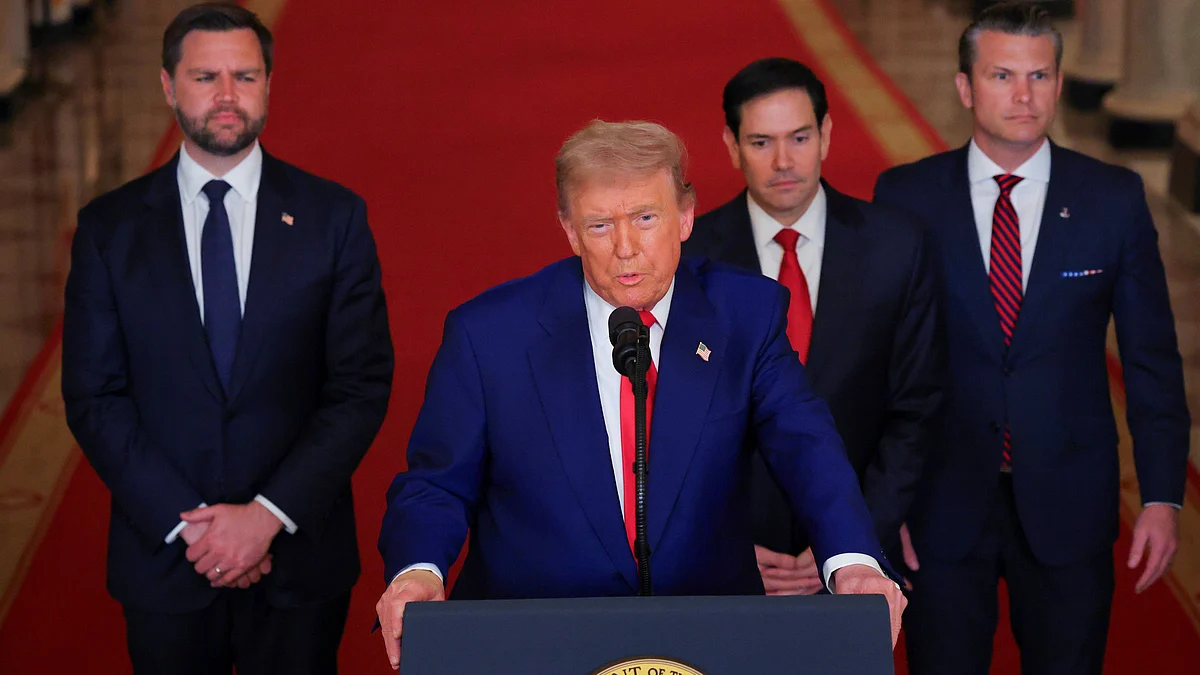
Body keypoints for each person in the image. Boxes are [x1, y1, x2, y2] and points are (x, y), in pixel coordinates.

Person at [375, 120, 906, 670]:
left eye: (646, 218)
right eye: (600, 225)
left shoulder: (746, 315)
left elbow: (807, 447)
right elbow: (436, 484)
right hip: (533, 640)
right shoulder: (489, 334)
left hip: (708, 640)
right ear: (570, 231)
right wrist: (416, 572)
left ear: (685, 216)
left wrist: (853, 560)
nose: (626, 248)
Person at [60, 4, 394, 674]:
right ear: (167, 85)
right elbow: (95, 396)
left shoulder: (335, 218)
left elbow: (358, 387)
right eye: (205, 75)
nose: (225, 96)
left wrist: (266, 516)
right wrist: (196, 529)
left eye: (244, 76)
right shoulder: (109, 229)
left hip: (300, 561)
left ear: (268, 83)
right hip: (166, 562)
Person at [872, 3, 1190, 674]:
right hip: (940, 506)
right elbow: (881, 362)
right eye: (1002, 75)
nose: (1024, 95)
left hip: (1070, 502)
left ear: (1058, 82)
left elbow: (1152, 359)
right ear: (965, 87)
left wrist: (1161, 495)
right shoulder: (905, 197)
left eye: (1039, 76)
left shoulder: (1114, 198)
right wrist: (883, 502)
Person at [683, 57, 940, 595]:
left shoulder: (896, 246)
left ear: (825, 134)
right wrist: (722, 544)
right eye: (760, 142)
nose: (783, 161)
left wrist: (852, 543)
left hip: (860, 563)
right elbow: (671, 423)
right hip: (731, 563)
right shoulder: (689, 260)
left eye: (799, 137)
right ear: (730, 146)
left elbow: (915, 410)